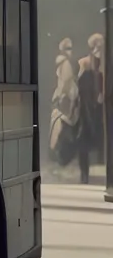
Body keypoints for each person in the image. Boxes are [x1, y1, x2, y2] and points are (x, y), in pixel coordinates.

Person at [77, 33, 105, 185]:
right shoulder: (86, 66)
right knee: (84, 142)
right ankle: (84, 174)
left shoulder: (99, 69)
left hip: (96, 109)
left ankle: (87, 174)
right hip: (87, 110)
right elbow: (83, 89)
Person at [51, 37, 80, 173]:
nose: (70, 51)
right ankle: (63, 156)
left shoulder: (61, 63)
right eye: (68, 48)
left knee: (63, 126)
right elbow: (66, 82)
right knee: (66, 127)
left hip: (63, 98)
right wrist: (63, 95)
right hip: (66, 99)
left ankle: (61, 156)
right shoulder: (65, 63)